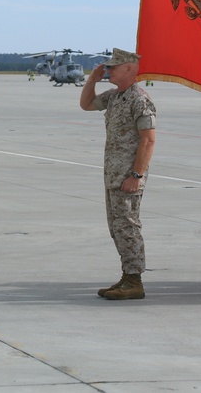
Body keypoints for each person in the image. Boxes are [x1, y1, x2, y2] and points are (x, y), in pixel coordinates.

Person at [80, 47, 156, 300]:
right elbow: (87, 104)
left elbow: (148, 141)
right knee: (117, 227)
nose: (108, 70)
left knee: (128, 226)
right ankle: (127, 276)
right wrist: (91, 79)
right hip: (114, 174)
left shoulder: (139, 100)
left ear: (129, 69)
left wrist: (136, 176)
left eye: (113, 67)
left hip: (128, 177)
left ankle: (134, 281)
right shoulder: (115, 96)